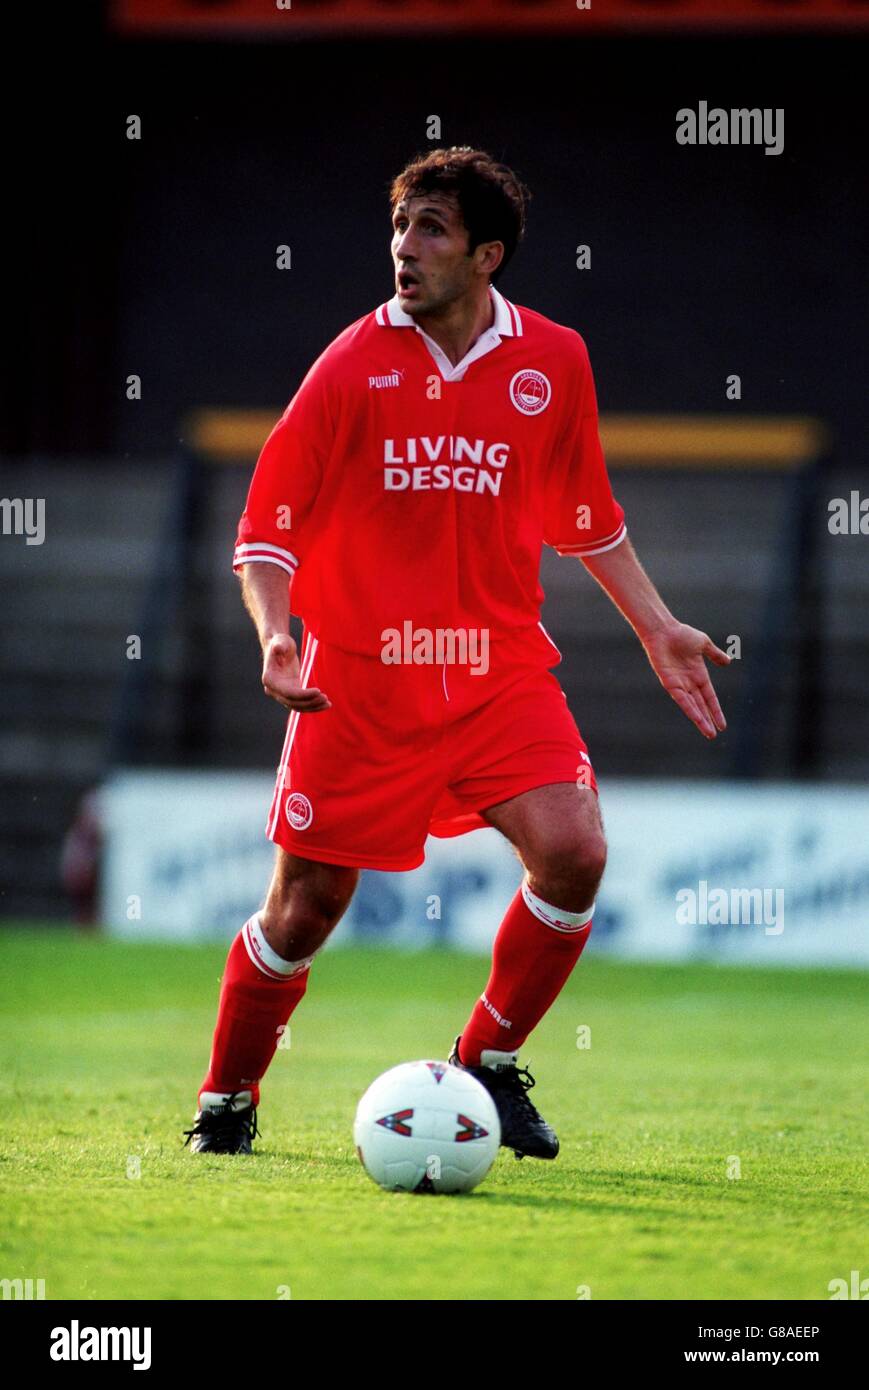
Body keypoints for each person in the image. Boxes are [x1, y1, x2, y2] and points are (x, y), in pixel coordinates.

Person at [184, 147, 729, 1159]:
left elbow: (585, 518)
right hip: (357, 683)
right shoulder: (350, 363)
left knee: (574, 852)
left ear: (486, 254)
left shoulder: (554, 359)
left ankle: (485, 1061)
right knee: (306, 910)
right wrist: (276, 634)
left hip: (498, 672)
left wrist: (655, 624)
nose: (404, 247)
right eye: (399, 226)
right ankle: (226, 1098)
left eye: (430, 229)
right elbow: (266, 531)